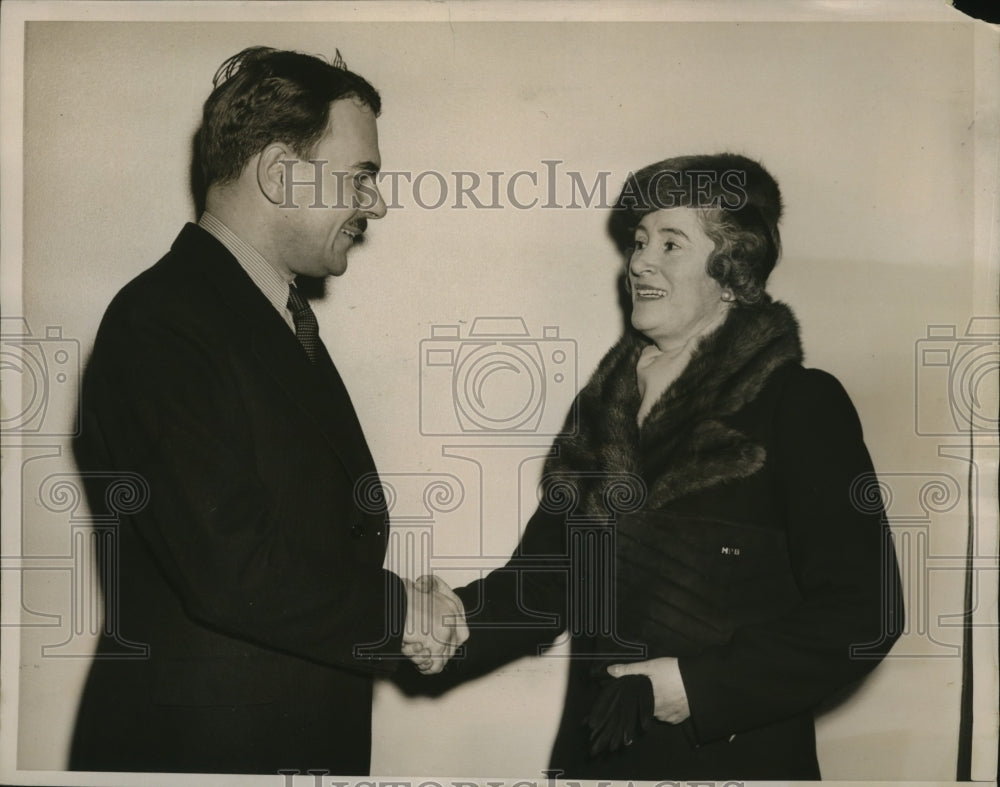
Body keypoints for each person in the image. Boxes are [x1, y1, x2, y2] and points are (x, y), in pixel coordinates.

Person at [407, 153, 904, 780]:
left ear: (732, 270)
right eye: (641, 242)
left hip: (733, 763)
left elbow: (864, 611)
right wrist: (446, 625)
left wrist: (697, 687)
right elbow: (544, 584)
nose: (639, 261)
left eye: (672, 243)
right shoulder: (603, 411)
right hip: (597, 762)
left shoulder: (799, 405)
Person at [69, 46, 465, 775]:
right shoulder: (161, 320)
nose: (375, 204)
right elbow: (232, 565)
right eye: (361, 178)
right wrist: (399, 612)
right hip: (206, 753)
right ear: (283, 173)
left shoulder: (255, 314)